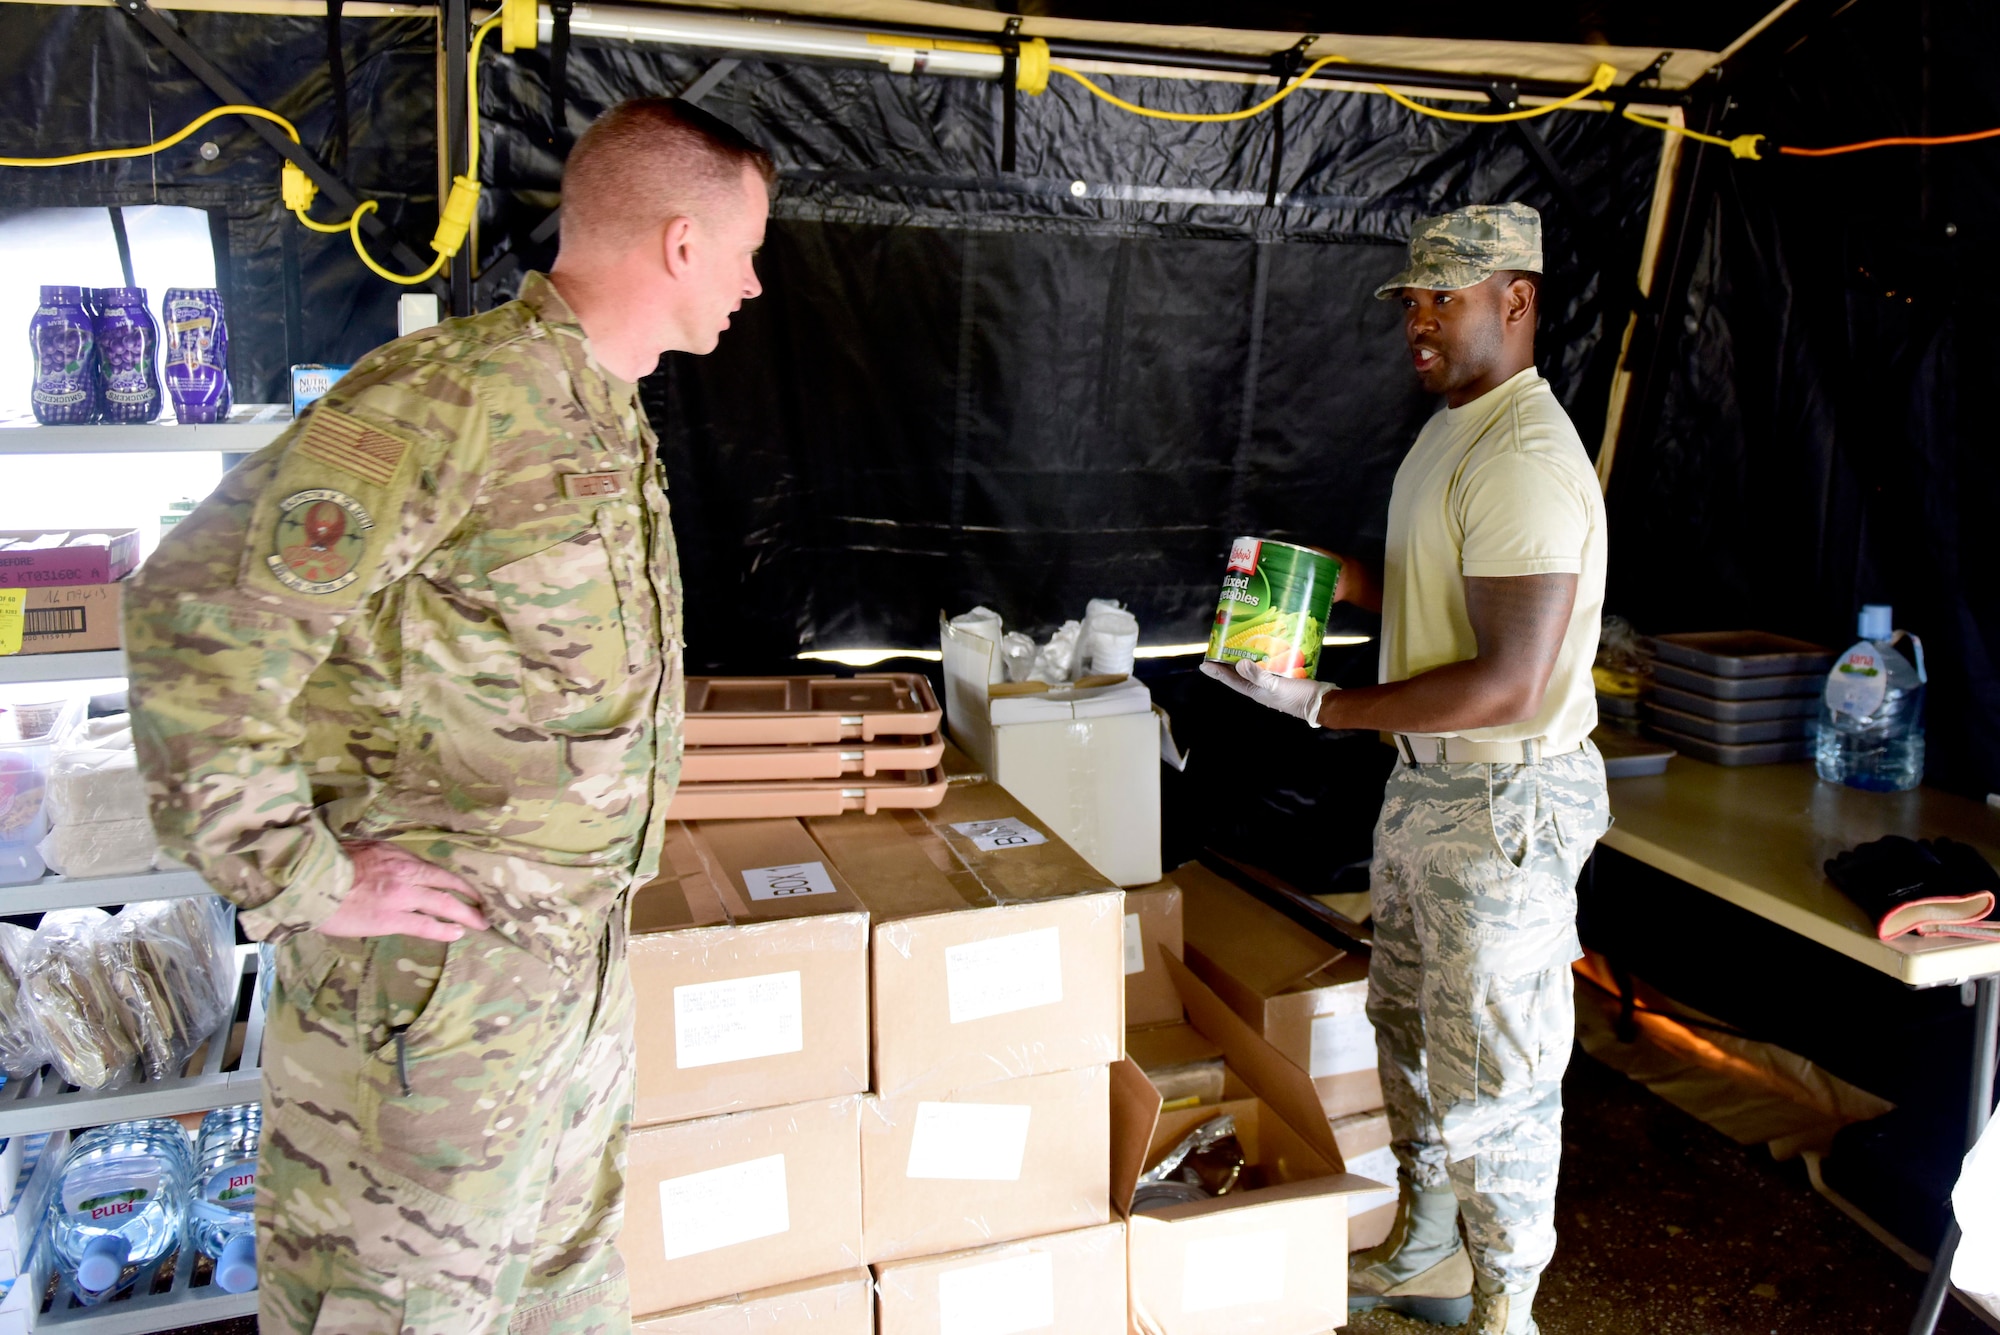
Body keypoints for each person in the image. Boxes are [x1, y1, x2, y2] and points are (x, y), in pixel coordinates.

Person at [124, 97, 772, 1334]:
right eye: (745, 250)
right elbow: (196, 610)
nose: (751, 284)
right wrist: (303, 875)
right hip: (434, 995)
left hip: (560, 984)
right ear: (682, 243)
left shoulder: (597, 402)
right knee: (397, 1312)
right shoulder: (462, 395)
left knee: (556, 1298)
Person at [1203, 202, 1609, 1335]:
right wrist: (1327, 579)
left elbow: (1511, 681)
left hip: (1500, 798)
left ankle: (1504, 1310)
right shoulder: (1455, 427)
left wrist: (1325, 705)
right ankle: (1426, 1251)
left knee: (1497, 1078)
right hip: (1436, 790)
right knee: (1413, 1031)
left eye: (1446, 297)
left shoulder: (1525, 454)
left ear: (1514, 300)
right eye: (1411, 301)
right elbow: (1441, 589)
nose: (1418, 322)